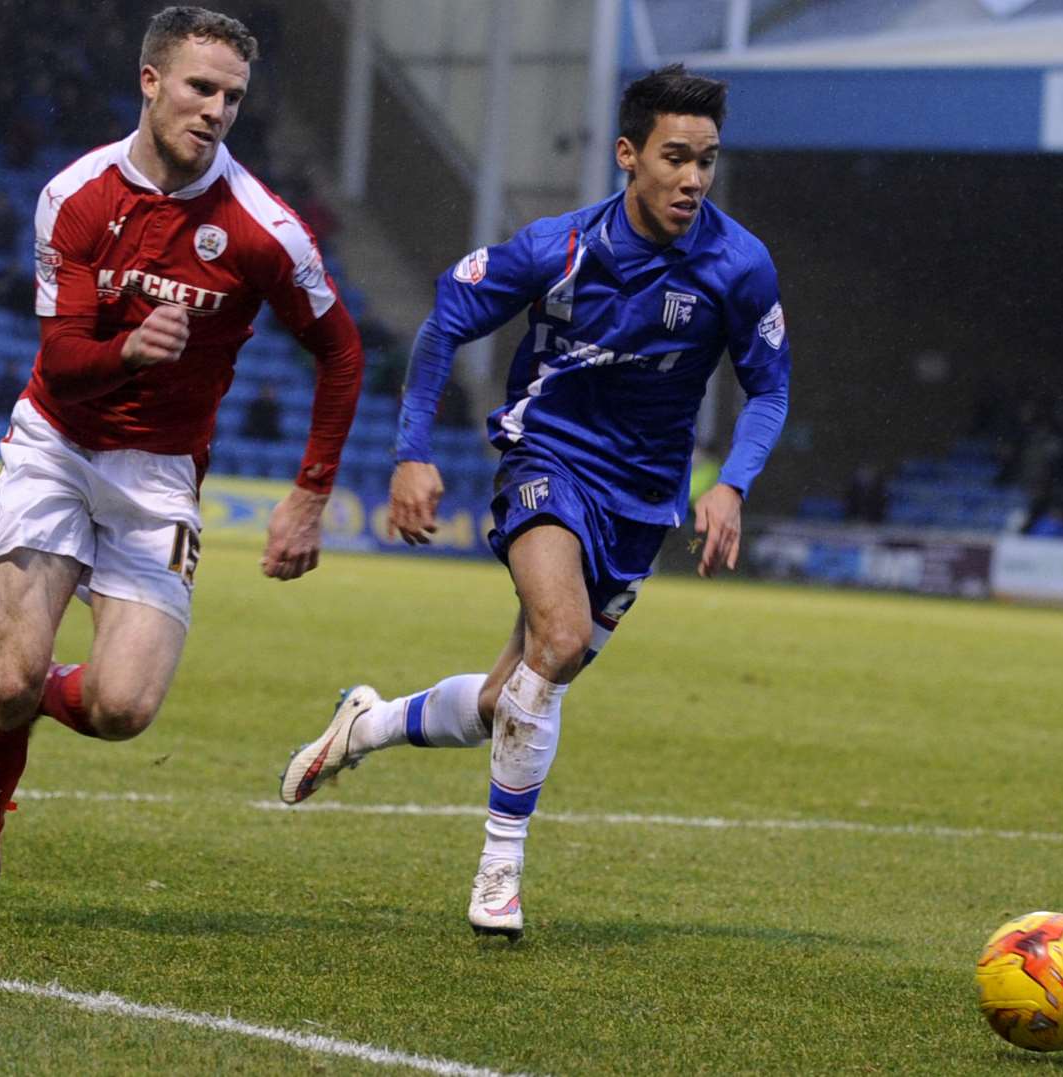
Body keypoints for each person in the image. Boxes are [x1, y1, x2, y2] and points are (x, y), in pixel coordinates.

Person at [279, 66, 791, 940]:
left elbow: (770, 388)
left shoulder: (738, 265)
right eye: (675, 157)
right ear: (629, 156)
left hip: (644, 502)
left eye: (706, 160)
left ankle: (369, 723)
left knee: (511, 696)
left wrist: (733, 482)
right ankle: (500, 869)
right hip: (545, 458)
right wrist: (411, 455)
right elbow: (445, 317)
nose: (693, 179)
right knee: (556, 639)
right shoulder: (558, 247)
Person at [0, 5, 365, 927]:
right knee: (6, 677)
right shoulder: (77, 195)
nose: (217, 110)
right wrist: (129, 352)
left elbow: (342, 350)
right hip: (55, 444)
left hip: (159, 474)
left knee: (123, 709)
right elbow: (67, 359)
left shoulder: (262, 229)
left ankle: (27, 694)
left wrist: (311, 491)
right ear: (151, 82)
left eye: (233, 96)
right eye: (201, 88)